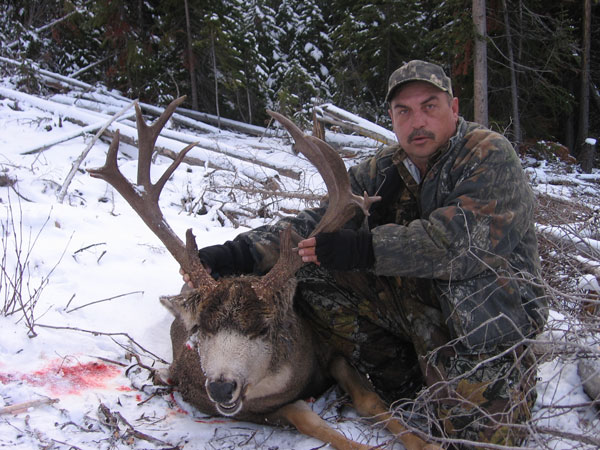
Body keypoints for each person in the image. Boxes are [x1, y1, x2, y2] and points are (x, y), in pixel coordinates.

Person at [184, 60, 548, 447]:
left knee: (485, 440)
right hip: (417, 304)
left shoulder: (490, 155)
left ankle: (495, 371)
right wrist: (240, 253)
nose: (417, 122)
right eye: (403, 111)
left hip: (483, 316)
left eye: (430, 106)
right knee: (309, 273)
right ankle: (401, 376)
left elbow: (460, 244)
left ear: (454, 109)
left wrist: (365, 247)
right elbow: (317, 222)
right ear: (391, 117)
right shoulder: (387, 167)